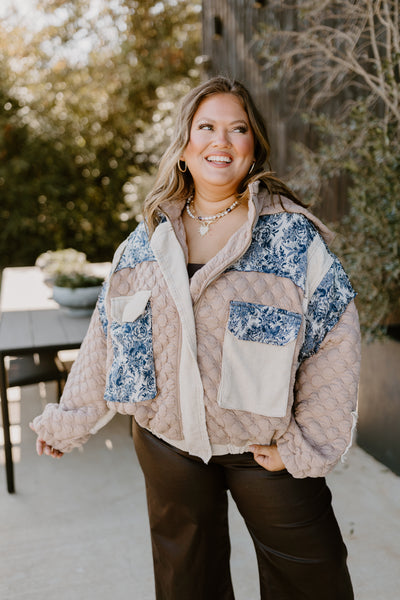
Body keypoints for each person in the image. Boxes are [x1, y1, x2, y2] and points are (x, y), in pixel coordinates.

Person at [31, 76, 361, 599]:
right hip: (169, 445)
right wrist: (70, 421)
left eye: (238, 129)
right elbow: (107, 338)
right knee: (187, 585)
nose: (221, 142)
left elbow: (335, 340)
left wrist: (305, 445)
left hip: (263, 448)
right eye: (206, 127)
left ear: (254, 149)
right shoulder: (147, 240)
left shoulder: (293, 238)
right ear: (184, 146)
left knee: (313, 580)